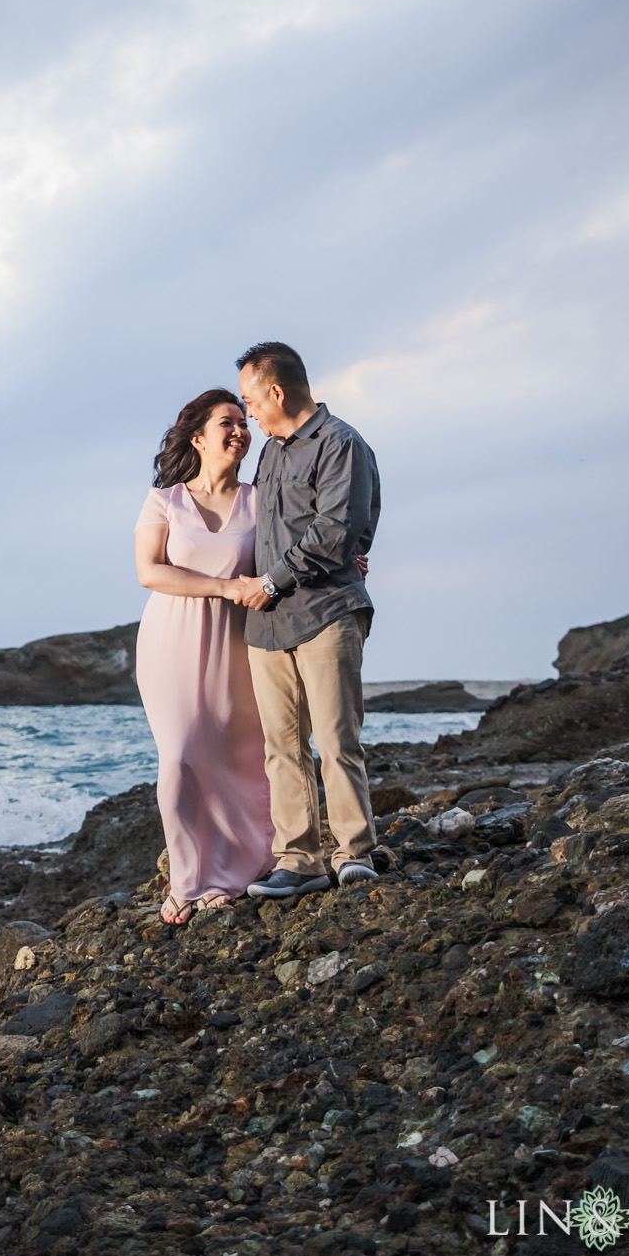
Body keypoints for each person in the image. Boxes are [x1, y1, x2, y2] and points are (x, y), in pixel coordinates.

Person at [228, 342, 383, 898]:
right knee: (282, 748)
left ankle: (355, 854)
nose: (248, 413)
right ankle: (300, 860)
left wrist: (270, 582)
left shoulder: (341, 443)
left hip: (326, 613)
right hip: (268, 627)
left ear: (276, 391)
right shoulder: (269, 453)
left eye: (250, 400)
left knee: (338, 740)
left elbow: (339, 530)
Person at [133, 388, 275, 924]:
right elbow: (150, 571)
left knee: (239, 758)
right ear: (198, 436)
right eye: (228, 421)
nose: (241, 430)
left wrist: (347, 557)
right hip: (170, 639)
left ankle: (237, 872)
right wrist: (226, 587)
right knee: (182, 756)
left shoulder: (260, 500)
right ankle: (186, 880)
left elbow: (293, 547)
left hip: (239, 641)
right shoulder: (164, 499)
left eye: (244, 422)